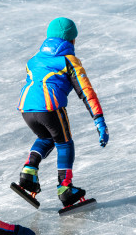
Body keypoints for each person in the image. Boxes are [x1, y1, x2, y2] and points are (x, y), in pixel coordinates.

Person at [16, 17, 109, 207]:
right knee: (65, 143)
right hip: (50, 108)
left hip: (26, 107)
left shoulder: (33, 60)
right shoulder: (69, 61)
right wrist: (99, 120)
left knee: (46, 138)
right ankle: (65, 188)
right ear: (72, 40)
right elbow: (86, 92)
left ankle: (28, 172)